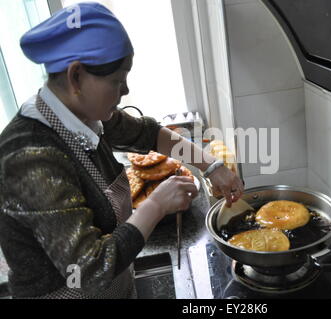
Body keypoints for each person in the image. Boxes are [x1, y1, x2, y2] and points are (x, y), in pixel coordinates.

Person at [0, 2, 243, 299]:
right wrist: (156, 205)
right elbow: (88, 270)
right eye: (117, 81)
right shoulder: (31, 157)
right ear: (76, 77)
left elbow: (148, 134)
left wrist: (211, 166)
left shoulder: (83, 114)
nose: (125, 90)